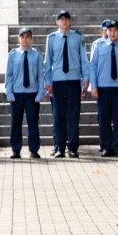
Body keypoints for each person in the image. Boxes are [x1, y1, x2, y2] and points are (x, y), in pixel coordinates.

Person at [43, 10, 89, 158]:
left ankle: (73, 147)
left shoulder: (78, 37)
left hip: (73, 80)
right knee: (58, 115)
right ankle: (59, 147)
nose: (64, 22)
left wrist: (85, 78)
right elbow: (47, 61)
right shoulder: (51, 38)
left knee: (73, 115)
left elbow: (84, 59)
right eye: (61, 19)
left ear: (70, 21)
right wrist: (47, 81)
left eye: (66, 19)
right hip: (57, 80)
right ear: (56, 22)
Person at [89, 19, 118, 157]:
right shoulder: (98, 45)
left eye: (115, 30)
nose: (112, 33)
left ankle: (117, 146)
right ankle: (105, 146)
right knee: (104, 118)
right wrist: (93, 86)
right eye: (110, 30)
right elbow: (93, 66)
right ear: (106, 31)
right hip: (103, 87)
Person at [5, 27, 45, 159]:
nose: (25, 39)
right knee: (16, 122)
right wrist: (9, 92)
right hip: (17, 94)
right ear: (18, 39)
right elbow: (9, 75)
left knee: (33, 122)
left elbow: (40, 75)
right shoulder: (13, 55)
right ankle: (16, 150)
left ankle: (34, 150)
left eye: (28, 37)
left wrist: (40, 93)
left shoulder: (37, 55)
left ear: (31, 39)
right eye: (22, 37)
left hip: (32, 94)